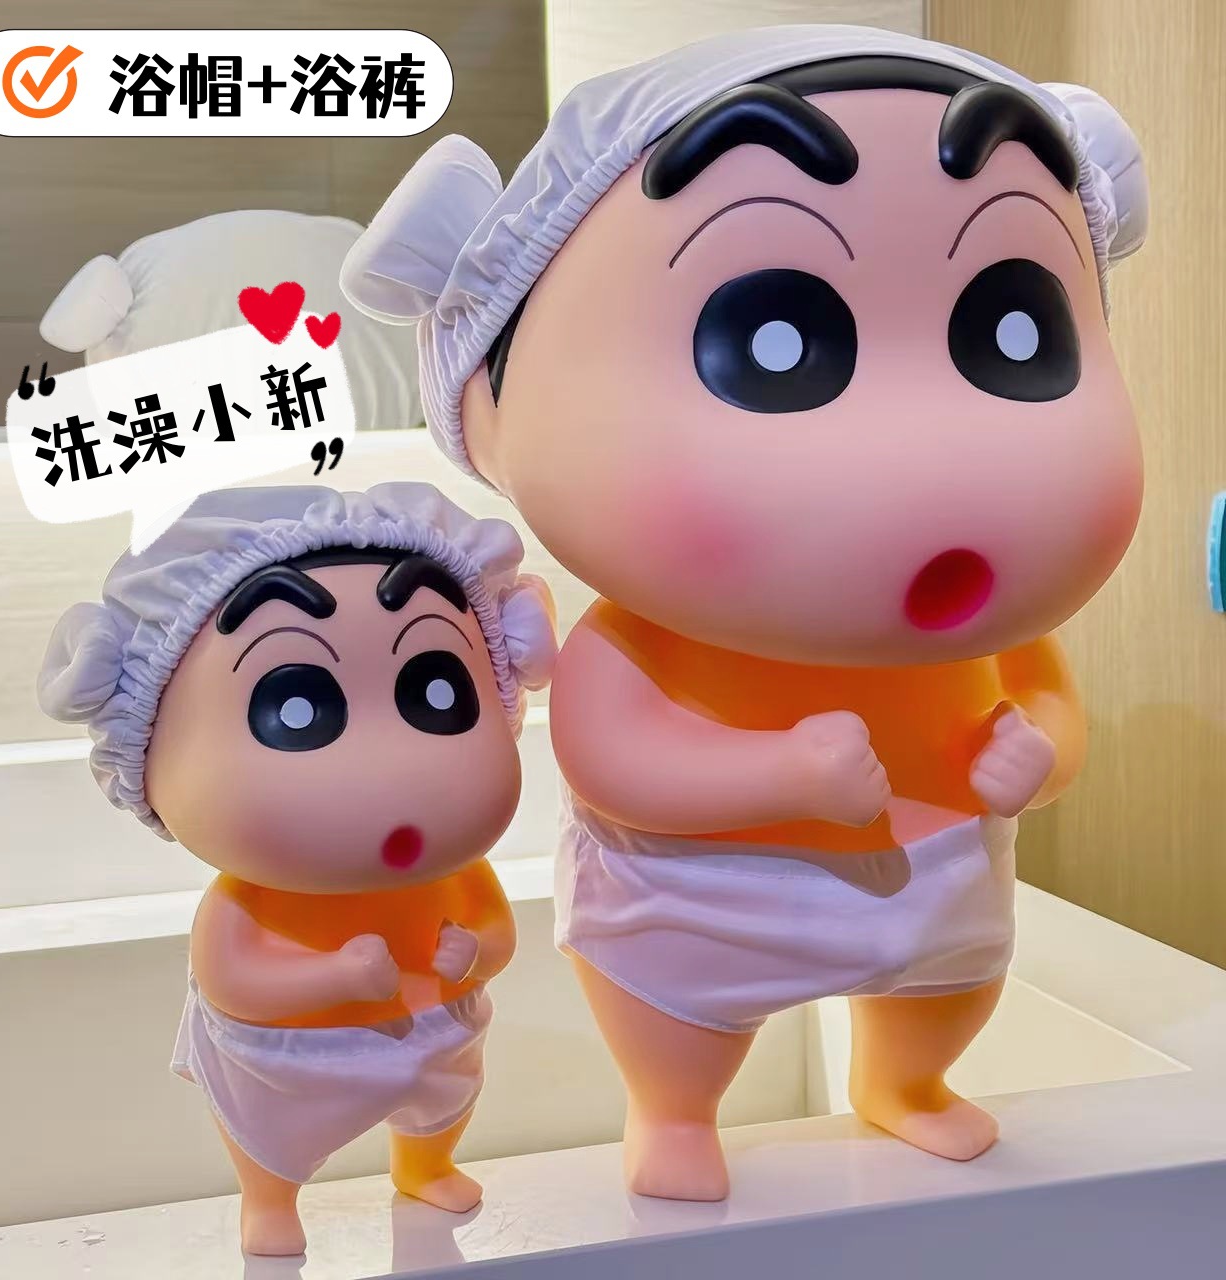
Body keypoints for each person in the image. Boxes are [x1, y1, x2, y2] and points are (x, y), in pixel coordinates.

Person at [341, 25, 1148, 1202]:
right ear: (488, 400)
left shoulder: (988, 635)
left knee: (946, 988)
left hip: (938, 869)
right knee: (679, 1014)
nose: (929, 442)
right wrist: (777, 774)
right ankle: (671, 1110)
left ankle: (905, 1080)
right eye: (777, 344)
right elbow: (615, 760)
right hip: (709, 889)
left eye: (1010, 327)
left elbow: (1043, 697)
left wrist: (1040, 749)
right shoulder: (631, 643)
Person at [37, 482, 556, 1254]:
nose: (390, 767)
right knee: (272, 1136)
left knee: (441, 1107)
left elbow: (497, 931)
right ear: (150, 752)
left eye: (436, 691)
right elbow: (233, 981)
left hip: (435, 1030)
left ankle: (426, 1166)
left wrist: (476, 950)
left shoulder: (457, 873)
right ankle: (270, 1201)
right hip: (294, 1058)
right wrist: (333, 977)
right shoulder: (243, 906)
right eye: (297, 708)